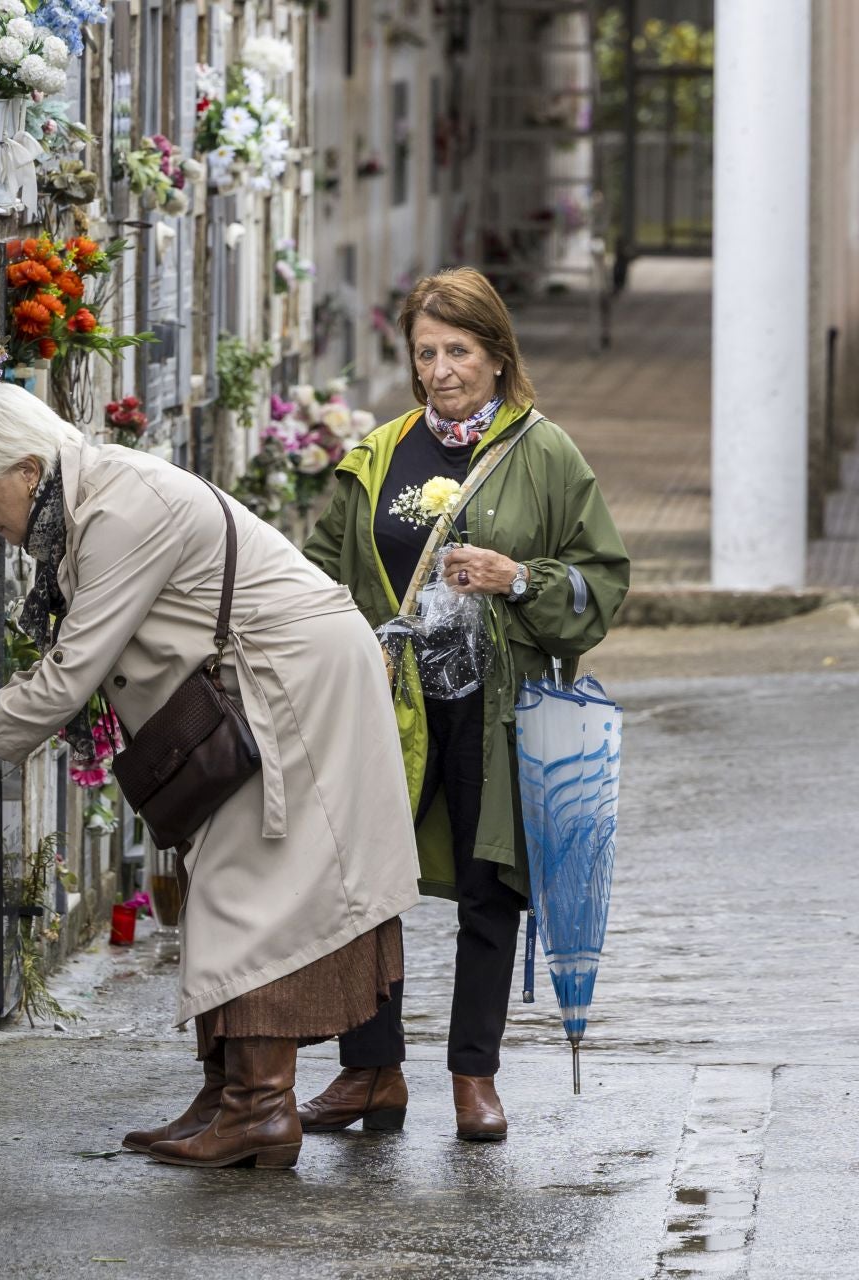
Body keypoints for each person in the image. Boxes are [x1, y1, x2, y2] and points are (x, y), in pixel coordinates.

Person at [0, 382, 421, 1170]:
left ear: (28, 469)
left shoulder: (120, 509)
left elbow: (75, 670)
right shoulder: (91, 496)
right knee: (225, 878)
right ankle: (228, 1095)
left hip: (294, 682)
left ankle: (260, 1110)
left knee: (255, 891)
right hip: (260, 680)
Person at [300, 267, 630, 1141]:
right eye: (425, 352)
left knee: (490, 889)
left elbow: (605, 579)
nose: (441, 369)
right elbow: (322, 573)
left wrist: (518, 577)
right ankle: (371, 1070)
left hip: (498, 708)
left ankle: (472, 1080)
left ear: (495, 356)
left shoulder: (545, 453)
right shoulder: (380, 454)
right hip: (391, 706)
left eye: (459, 350)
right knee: (364, 880)